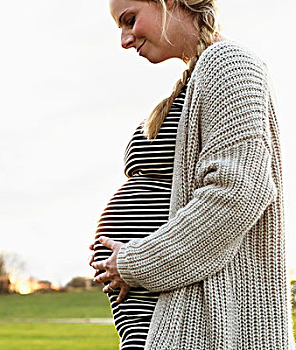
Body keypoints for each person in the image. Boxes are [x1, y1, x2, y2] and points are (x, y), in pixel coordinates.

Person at [89, 0, 295, 349]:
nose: (124, 40)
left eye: (130, 20)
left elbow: (239, 193)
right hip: (165, 309)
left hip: (194, 315)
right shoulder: (195, 79)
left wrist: (135, 263)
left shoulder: (230, 63)